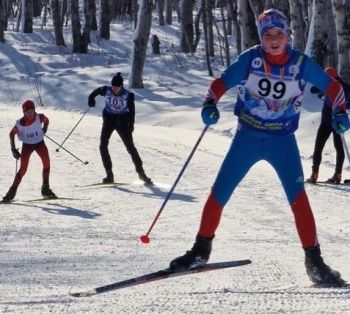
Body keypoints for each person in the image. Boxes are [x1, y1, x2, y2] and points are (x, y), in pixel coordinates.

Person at [169, 9, 349, 286]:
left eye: (279, 34)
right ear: (261, 37)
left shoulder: (301, 62)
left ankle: (315, 263)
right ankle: (200, 251)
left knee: (298, 199)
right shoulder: (250, 59)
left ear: (288, 35)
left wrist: (339, 111)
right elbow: (219, 83)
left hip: (282, 142)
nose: (274, 40)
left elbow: (334, 88)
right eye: (268, 35)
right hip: (248, 138)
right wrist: (209, 103)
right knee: (220, 192)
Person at [88, 72, 152, 184]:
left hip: (122, 122)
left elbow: (132, 112)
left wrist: (131, 125)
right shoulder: (106, 90)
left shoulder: (128, 95)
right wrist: (91, 99)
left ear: (121, 86)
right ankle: (109, 175)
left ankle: (142, 174)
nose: (114, 89)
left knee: (131, 148)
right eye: (113, 86)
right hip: (108, 121)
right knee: (103, 146)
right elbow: (94, 93)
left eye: (116, 87)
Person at [2, 100, 56, 203]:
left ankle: (45, 188)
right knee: (23, 169)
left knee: (47, 163)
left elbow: (46, 120)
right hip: (27, 146)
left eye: (32, 111)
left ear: (34, 110)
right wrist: (13, 149)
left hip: (40, 143)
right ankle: (11, 192)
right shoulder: (21, 123)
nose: (30, 114)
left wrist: (44, 129)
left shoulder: (39, 117)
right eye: (27, 112)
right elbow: (11, 134)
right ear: (24, 112)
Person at [307, 67, 350, 184]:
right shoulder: (345, 87)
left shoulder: (327, 85)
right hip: (338, 121)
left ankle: (314, 174)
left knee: (318, 147)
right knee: (339, 148)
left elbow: (312, 90)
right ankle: (338, 175)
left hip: (326, 122)